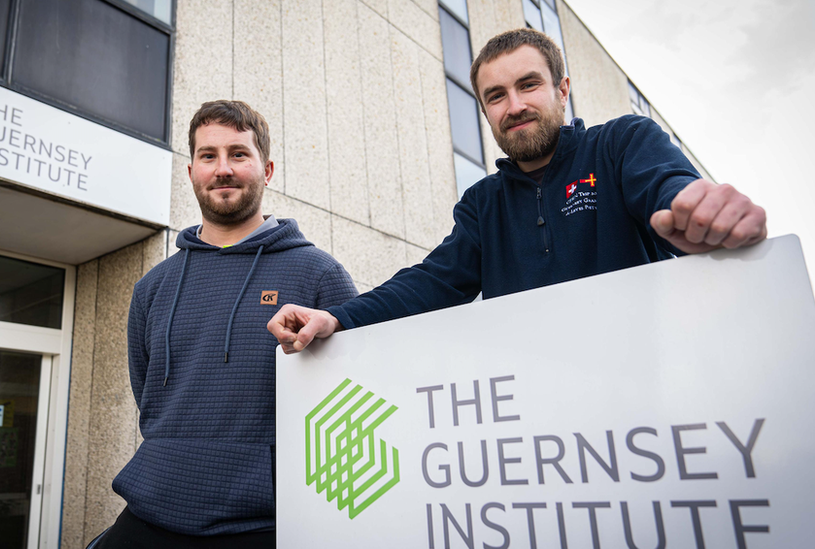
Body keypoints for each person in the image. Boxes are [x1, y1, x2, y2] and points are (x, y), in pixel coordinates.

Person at [267, 28, 766, 353]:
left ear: (562, 89)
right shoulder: (483, 205)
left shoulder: (622, 144)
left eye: (529, 85)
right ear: (485, 111)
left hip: (652, 397)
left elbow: (669, 189)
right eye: (496, 96)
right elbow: (428, 284)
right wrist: (337, 317)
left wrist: (696, 208)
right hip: (536, 422)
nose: (515, 105)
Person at [89, 100, 357, 548]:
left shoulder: (318, 275)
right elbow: (149, 394)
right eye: (208, 156)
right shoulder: (152, 288)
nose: (223, 169)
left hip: (265, 523)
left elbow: (350, 400)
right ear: (191, 170)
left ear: (266, 170)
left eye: (238, 154)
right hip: (151, 512)